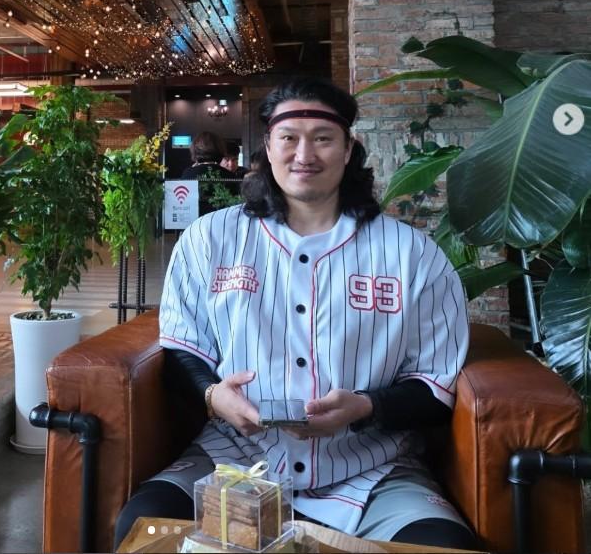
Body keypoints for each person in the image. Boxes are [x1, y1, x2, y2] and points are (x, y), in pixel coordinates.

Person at [113, 78, 475, 550]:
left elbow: (435, 386)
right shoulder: (210, 239)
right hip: (234, 458)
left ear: (348, 149)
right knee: (144, 527)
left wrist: (366, 407)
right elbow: (183, 350)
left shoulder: (412, 255)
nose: (304, 155)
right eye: (289, 138)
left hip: (372, 470)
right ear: (268, 147)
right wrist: (213, 396)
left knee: (442, 544)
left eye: (323, 138)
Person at [181, 131, 234, 216]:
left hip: (194, 221)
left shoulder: (188, 174)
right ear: (219, 149)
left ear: (194, 150)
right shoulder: (229, 175)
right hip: (222, 221)